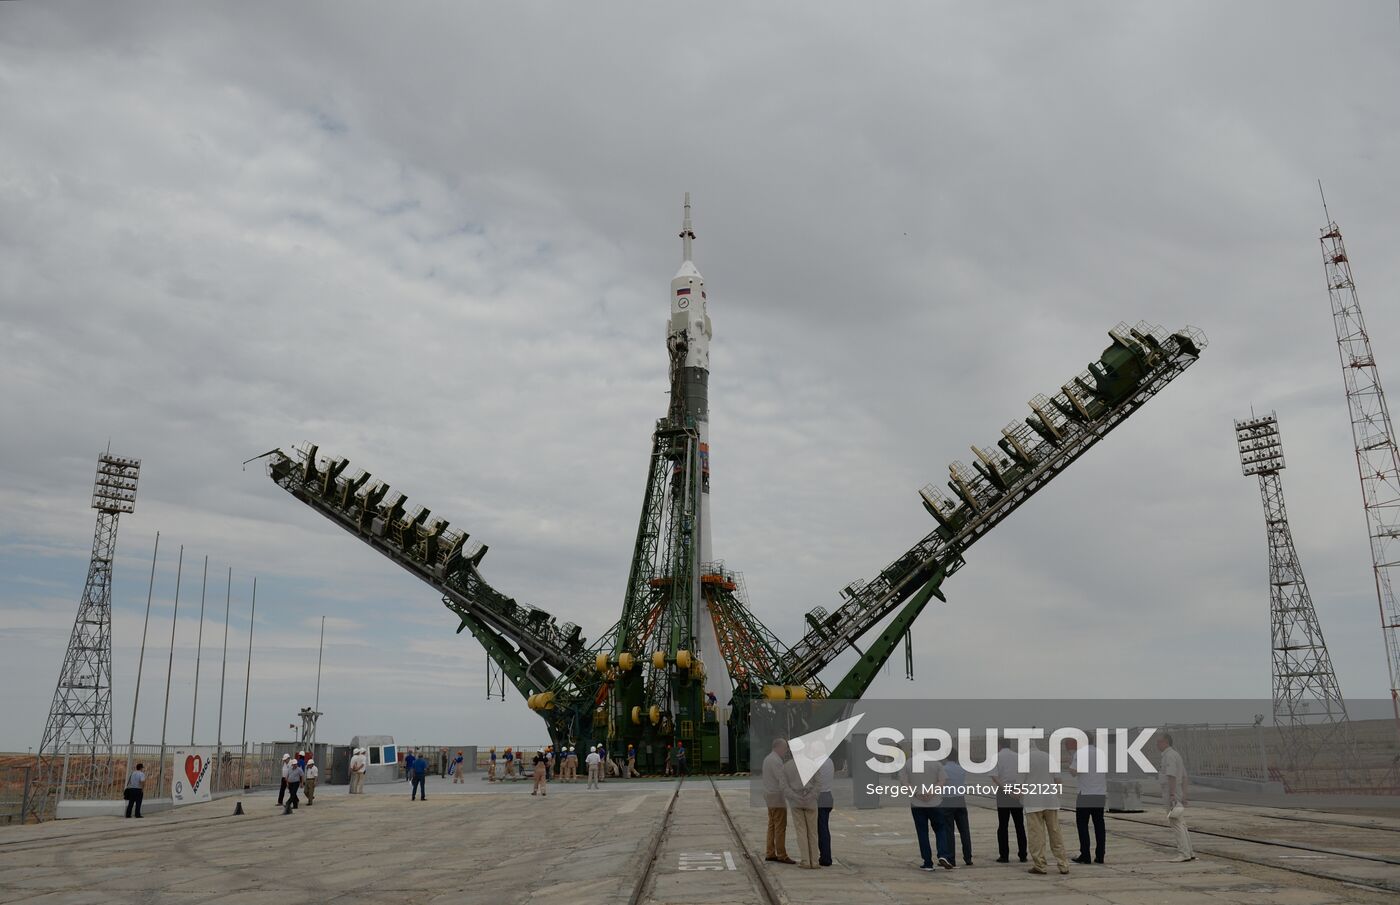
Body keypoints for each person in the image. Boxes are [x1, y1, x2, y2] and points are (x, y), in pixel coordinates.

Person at [1022, 741, 1069, 876]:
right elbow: (1058, 781)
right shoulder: (1049, 757)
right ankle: (1063, 864)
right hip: (1051, 801)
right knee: (1055, 833)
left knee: (1037, 835)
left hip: (1033, 803)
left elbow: (1019, 783)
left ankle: (1040, 865)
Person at [903, 746, 952, 870]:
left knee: (922, 833)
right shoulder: (936, 763)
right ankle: (943, 854)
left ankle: (928, 863)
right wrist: (931, 793)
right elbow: (942, 780)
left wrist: (917, 793)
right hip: (935, 803)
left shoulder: (908, 763)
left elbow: (904, 781)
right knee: (940, 829)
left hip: (917, 804)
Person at [1067, 735, 1107, 864]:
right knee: (1099, 825)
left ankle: (1085, 855)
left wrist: (1070, 764)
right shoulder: (1101, 753)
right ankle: (1100, 856)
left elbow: (1074, 772)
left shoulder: (1080, 753)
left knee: (1083, 825)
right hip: (1100, 794)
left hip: (1085, 794)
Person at [783, 745, 821, 869]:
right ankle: (815, 861)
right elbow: (818, 783)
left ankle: (805, 861)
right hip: (810, 801)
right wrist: (811, 796)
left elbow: (784, 786)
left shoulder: (787, 766)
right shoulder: (813, 764)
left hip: (796, 801)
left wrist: (794, 796)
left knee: (801, 831)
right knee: (813, 832)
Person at [1158, 733, 1194, 862]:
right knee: (1181, 823)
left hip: (1170, 792)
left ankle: (1183, 853)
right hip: (1177, 792)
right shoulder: (1176, 755)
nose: (1157, 745)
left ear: (1165, 742)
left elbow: (1171, 776)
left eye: (1159, 742)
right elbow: (1184, 777)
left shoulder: (1169, 756)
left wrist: (1172, 795)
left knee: (1176, 823)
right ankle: (1189, 852)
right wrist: (1184, 795)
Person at [992, 738, 1028, 863]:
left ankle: (1004, 855)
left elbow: (995, 778)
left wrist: (1007, 791)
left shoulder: (996, 757)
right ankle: (1023, 854)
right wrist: (1019, 791)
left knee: (1003, 825)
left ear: (999, 745)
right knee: (1019, 825)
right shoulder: (1018, 757)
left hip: (1003, 791)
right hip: (1017, 790)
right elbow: (1024, 776)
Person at [761, 739, 795, 864]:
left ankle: (770, 852)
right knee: (780, 826)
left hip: (768, 795)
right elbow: (782, 780)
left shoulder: (768, 758)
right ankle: (782, 854)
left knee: (772, 825)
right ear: (779, 747)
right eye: (785, 748)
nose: (785, 751)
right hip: (776, 796)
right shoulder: (776, 761)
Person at [940, 748, 973, 866]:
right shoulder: (961, 769)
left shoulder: (944, 769)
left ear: (946, 757)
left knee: (949, 831)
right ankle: (968, 857)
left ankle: (950, 858)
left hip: (947, 801)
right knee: (964, 830)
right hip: (960, 800)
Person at [816, 746, 835, 867]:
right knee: (824, 827)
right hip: (828, 795)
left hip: (820, 797)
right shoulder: (829, 761)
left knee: (821, 829)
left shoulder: (817, 763)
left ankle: (825, 857)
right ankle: (826, 855)